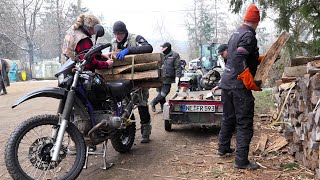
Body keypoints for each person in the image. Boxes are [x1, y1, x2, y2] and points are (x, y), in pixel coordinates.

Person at [218, 4, 262, 170]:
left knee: (228, 117)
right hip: (238, 86)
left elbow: (241, 56)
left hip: (227, 84)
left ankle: (223, 148)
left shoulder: (236, 33)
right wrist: (248, 81)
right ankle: (241, 161)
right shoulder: (249, 36)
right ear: (257, 22)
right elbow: (238, 58)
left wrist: (261, 59)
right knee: (244, 123)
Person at [62, 13, 113, 152]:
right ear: (90, 27)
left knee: (73, 110)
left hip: (67, 77)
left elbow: (84, 54)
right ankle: (91, 137)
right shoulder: (84, 39)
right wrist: (106, 64)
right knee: (91, 107)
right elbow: (89, 62)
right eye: (94, 28)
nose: (94, 32)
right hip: (80, 78)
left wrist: (102, 55)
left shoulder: (71, 34)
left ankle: (77, 141)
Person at [111, 21, 153, 143]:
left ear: (125, 32)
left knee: (141, 103)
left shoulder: (136, 38)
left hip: (138, 77)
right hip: (122, 79)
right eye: (115, 34)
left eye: (119, 33)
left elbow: (148, 47)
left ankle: (146, 130)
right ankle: (125, 131)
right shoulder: (113, 43)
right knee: (123, 106)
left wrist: (128, 50)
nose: (117, 36)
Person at [150, 42, 181, 112]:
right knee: (160, 93)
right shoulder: (161, 56)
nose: (162, 49)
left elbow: (178, 67)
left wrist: (177, 76)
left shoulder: (175, 55)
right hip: (160, 78)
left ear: (167, 48)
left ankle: (153, 102)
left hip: (167, 78)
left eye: (163, 47)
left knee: (164, 92)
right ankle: (162, 108)